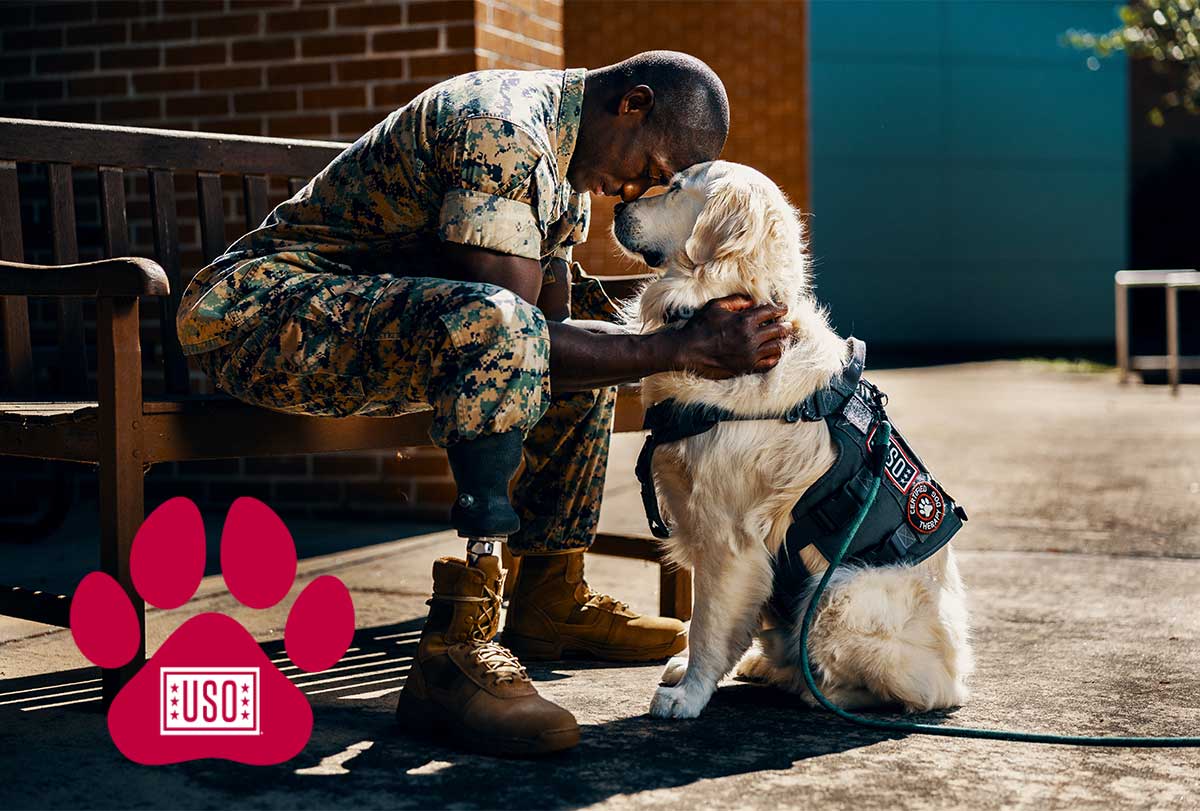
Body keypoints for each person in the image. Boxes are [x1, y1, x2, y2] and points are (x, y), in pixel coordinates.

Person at [176, 50, 791, 757]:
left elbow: (557, 328)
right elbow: (510, 324)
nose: (639, 192)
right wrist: (683, 348)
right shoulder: (502, 130)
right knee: (505, 328)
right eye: (650, 169)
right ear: (633, 103)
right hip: (256, 315)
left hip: (370, 324)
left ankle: (549, 596)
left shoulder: (569, 165)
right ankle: (454, 648)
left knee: (582, 341)